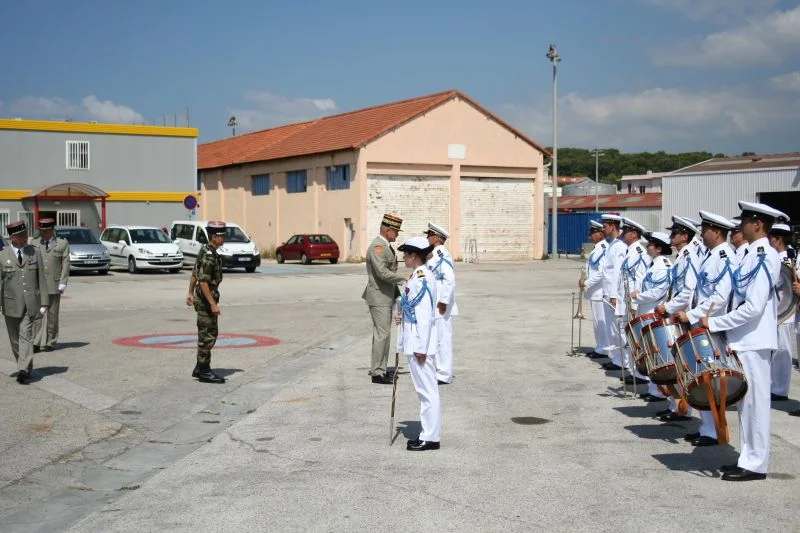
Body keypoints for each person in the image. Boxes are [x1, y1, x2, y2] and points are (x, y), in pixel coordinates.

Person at [699, 201, 783, 481]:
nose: (740, 226)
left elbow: (753, 307)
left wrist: (715, 323)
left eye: (745, 221)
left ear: (757, 224)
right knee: (745, 405)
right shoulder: (748, 255)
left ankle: (756, 464)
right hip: (742, 339)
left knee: (756, 405)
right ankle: (748, 458)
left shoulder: (765, 255)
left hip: (755, 340)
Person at [676, 211, 739, 447]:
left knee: (712, 379)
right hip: (701, 322)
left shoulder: (724, 257)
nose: (702, 234)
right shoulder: (711, 256)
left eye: (706, 229)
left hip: (712, 324)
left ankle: (714, 431)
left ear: (717, 232)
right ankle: (707, 428)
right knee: (702, 377)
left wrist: (692, 314)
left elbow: (719, 297)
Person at [656, 215, 703, 422]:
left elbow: (688, 291)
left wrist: (668, 307)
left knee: (682, 364)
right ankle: (676, 406)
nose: (671, 237)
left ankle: (682, 408)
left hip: (684, 316)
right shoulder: (683, 255)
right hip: (678, 313)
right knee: (675, 363)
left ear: (684, 236)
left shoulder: (690, 256)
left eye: (674, 233)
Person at [396, 236, 440, 451]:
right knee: (424, 390)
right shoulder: (417, 275)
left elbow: (424, 316)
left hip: (420, 344)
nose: (403, 257)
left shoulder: (421, 278)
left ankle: (430, 437)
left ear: (414, 255)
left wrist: (421, 348)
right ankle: (428, 434)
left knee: (427, 392)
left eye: (406, 253)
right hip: (416, 340)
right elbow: (413, 308)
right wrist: (402, 316)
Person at [1, 221, 49, 384]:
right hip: (11, 304)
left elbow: (41, 278)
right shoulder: (3, 256)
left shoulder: (34, 253)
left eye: (25, 233)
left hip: (30, 303)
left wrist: (44, 302)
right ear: (12, 237)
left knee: (26, 336)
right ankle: (26, 366)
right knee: (15, 339)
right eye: (21, 235)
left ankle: (23, 370)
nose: (25, 236)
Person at [363, 214, 407, 384]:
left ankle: (380, 368)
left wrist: (397, 294)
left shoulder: (385, 246)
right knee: (382, 335)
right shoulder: (377, 247)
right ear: (388, 231)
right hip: (379, 296)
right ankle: (377, 373)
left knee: (384, 335)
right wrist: (402, 278)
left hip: (385, 296)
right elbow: (382, 273)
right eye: (396, 232)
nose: (397, 235)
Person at [631, 231, 672, 401]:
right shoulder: (654, 263)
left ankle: (659, 391)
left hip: (653, 312)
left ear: (658, 248)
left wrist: (637, 296)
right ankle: (653, 388)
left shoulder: (662, 265)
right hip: (645, 311)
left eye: (650, 245)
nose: (647, 247)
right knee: (649, 352)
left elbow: (658, 292)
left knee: (657, 352)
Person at [187, 221, 227, 384]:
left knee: (207, 333)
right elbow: (203, 281)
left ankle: (199, 367)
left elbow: (195, 272)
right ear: (214, 236)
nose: (224, 239)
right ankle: (204, 370)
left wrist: (190, 292)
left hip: (202, 298)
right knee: (208, 335)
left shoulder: (205, 250)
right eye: (222, 236)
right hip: (205, 301)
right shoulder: (209, 255)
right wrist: (212, 303)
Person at [616, 217, 650, 386]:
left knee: (636, 339)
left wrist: (635, 306)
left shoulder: (639, 253)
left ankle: (641, 374)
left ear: (634, 234)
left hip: (633, 304)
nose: (623, 234)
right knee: (629, 338)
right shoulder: (630, 251)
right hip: (626, 302)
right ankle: (633, 370)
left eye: (626, 231)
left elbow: (641, 280)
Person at [424, 222, 458, 385]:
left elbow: (449, 280)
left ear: (437, 238)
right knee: (436, 338)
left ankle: (444, 373)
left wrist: (444, 301)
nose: (427, 237)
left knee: (443, 339)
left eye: (429, 235)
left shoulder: (441, 253)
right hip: (435, 302)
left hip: (441, 304)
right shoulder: (434, 253)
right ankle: (439, 371)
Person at [30, 217, 70, 352]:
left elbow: (65, 263)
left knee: (52, 316)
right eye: (42, 231)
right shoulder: (34, 243)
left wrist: (63, 282)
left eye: (46, 231)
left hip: (54, 283)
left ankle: (50, 341)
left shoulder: (62, 244)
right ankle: (35, 342)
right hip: (38, 286)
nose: (44, 233)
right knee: (37, 315)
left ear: (52, 230)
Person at [768, 222, 794, 402]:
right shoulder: (777, 259)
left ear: (778, 241)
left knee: (783, 351)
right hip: (776, 313)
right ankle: (775, 386)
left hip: (785, 313)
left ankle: (781, 389)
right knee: (775, 351)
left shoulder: (786, 261)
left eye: (771, 239)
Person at [600, 214, 627, 372]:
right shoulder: (613, 245)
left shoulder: (620, 247)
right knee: (612, 329)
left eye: (605, 226)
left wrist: (613, 294)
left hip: (613, 294)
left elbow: (617, 272)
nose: (603, 229)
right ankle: (617, 359)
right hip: (608, 293)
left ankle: (624, 361)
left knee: (618, 329)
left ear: (613, 226)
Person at [580, 220, 610, 359]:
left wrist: (587, 283)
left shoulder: (604, 248)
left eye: (593, 233)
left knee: (601, 322)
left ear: (600, 234)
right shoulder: (597, 248)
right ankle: (600, 347)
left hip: (599, 291)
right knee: (597, 322)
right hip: (594, 292)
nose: (590, 235)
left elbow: (601, 272)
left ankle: (603, 349)